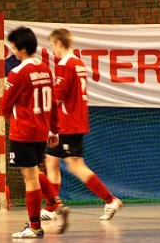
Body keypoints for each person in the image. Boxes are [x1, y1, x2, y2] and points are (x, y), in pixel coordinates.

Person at [41, 29, 123, 221]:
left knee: (75, 165)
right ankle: (52, 207)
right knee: (51, 160)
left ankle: (110, 199)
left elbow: (57, 97)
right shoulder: (78, 63)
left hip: (67, 124)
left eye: (53, 46)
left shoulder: (65, 64)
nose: (53, 50)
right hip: (74, 122)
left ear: (59, 44)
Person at [0, 26, 67, 239]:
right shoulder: (45, 69)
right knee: (35, 174)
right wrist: (54, 129)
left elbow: (4, 106)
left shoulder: (18, 73)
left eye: (13, 47)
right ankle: (55, 202)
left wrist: (12, 115)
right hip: (41, 130)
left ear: (20, 49)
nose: (12, 50)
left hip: (23, 131)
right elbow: (54, 103)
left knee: (30, 178)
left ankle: (35, 226)